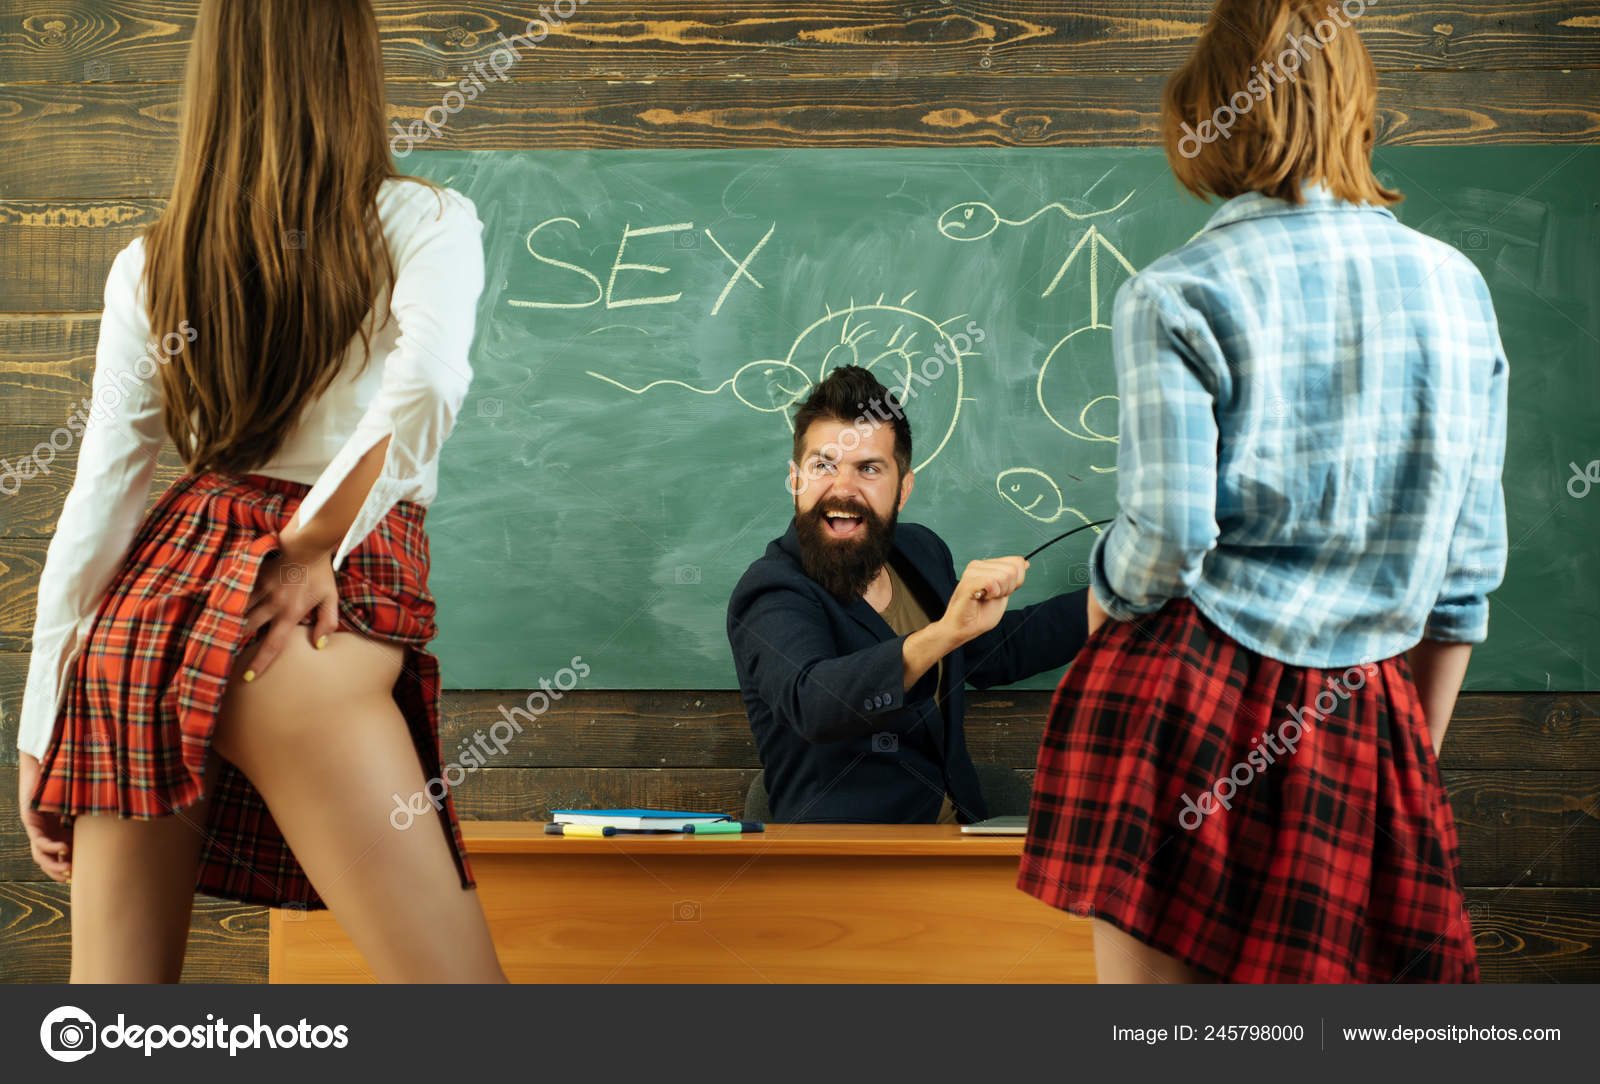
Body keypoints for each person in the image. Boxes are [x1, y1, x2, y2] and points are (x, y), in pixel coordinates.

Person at [16, 0, 506, 983]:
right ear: (353, 61)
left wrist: (39, 724)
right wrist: (317, 538)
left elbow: (103, 496)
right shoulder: (425, 220)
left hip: (137, 632)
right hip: (301, 631)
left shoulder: (152, 263)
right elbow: (430, 378)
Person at [1018, 0, 1506, 984]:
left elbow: (1165, 539)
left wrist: (1101, 596)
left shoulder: (1176, 290)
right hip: (1370, 714)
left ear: (1211, 112)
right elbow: (1461, 583)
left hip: (1188, 697)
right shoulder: (1459, 290)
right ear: (1353, 104)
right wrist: (1399, 762)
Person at [727, 366, 1090, 823]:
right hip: (845, 861)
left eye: (869, 469)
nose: (842, 488)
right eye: (823, 465)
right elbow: (815, 703)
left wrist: (1110, 605)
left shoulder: (919, 552)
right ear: (797, 479)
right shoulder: (772, 590)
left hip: (958, 841)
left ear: (903, 488)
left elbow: (984, 650)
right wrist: (942, 634)